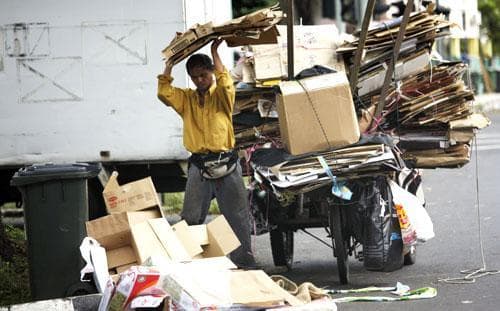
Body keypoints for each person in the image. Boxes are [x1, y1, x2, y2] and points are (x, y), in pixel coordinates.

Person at [157, 38, 256, 269]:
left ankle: (244, 264)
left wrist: (214, 51)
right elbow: (164, 92)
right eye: (195, 77)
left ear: (211, 72)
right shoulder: (186, 99)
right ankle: (189, 263)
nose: (200, 80)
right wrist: (170, 65)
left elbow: (226, 83)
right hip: (199, 167)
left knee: (237, 217)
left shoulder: (222, 96)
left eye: (204, 75)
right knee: (190, 219)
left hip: (228, 164)